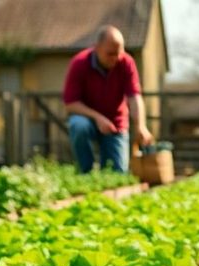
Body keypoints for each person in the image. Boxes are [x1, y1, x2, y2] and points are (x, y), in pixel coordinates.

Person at [62, 25, 154, 173]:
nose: (115, 58)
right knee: (78, 126)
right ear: (97, 48)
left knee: (117, 172)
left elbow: (134, 97)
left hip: (115, 122)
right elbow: (70, 104)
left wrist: (140, 125)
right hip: (88, 120)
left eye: (119, 53)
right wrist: (98, 117)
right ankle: (85, 173)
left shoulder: (126, 63)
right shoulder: (79, 63)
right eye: (110, 54)